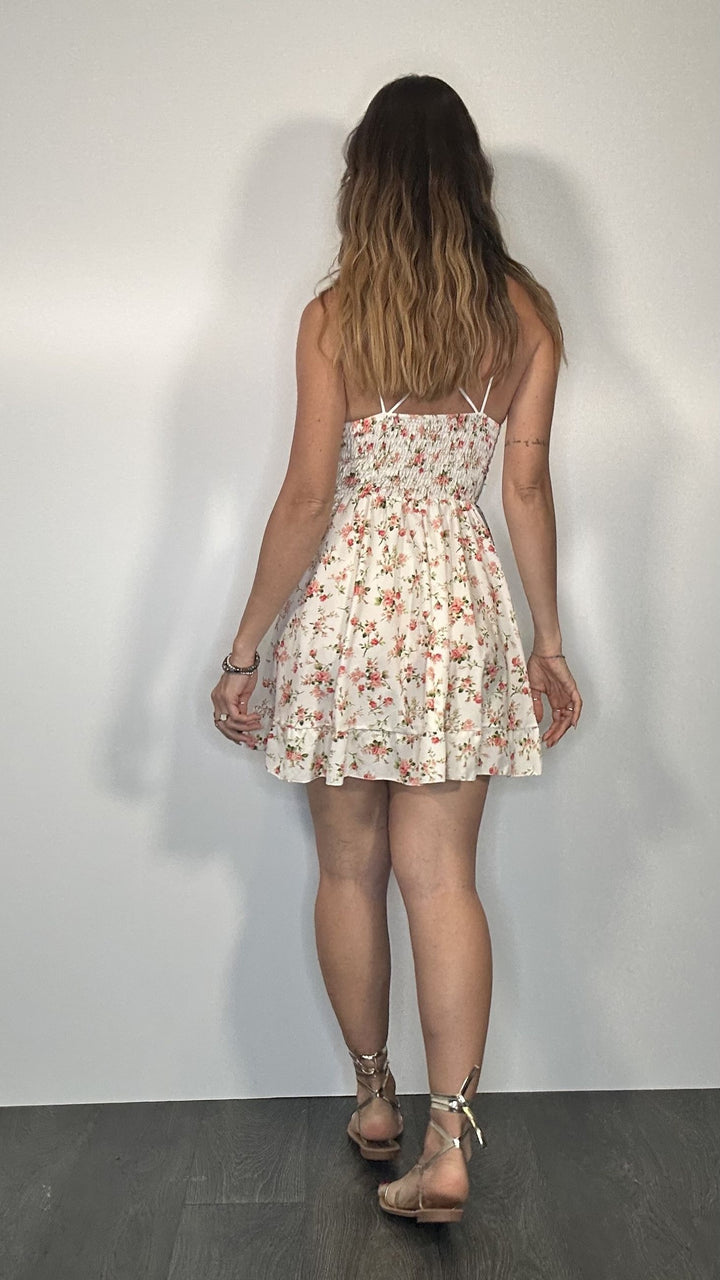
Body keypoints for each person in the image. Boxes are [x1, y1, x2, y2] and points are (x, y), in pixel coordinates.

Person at [210, 73, 582, 1225]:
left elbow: (308, 494)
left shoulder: (336, 315)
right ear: (471, 176)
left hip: (350, 614)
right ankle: (450, 1138)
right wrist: (548, 639)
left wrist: (244, 646)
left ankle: (375, 1097)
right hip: (460, 610)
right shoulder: (522, 315)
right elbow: (525, 487)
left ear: (363, 181)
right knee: (444, 879)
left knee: (348, 871)